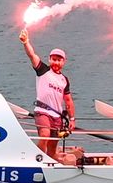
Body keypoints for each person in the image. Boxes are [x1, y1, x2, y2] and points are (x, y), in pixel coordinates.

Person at [19, 28, 75, 160]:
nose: (56, 62)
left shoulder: (64, 80)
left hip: (57, 116)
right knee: (44, 135)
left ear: (63, 62)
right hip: (42, 111)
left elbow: (68, 101)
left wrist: (72, 119)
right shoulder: (43, 70)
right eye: (54, 59)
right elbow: (32, 55)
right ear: (50, 60)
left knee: (52, 147)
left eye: (59, 60)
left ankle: (51, 165)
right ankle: (37, 160)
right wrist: (26, 42)